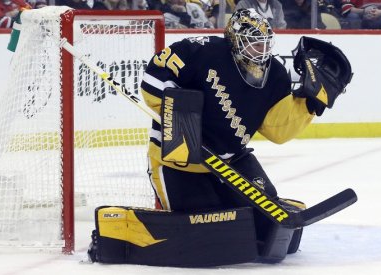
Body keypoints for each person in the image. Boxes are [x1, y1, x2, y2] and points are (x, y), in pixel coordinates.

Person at [138, 8, 350, 263]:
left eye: (264, 43)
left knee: (268, 223)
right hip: (180, 161)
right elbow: (153, 78)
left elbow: (276, 130)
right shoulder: (200, 51)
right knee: (206, 224)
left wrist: (310, 105)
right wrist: (181, 115)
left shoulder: (275, 74)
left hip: (231, 160)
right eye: (253, 42)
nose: (260, 49)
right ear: (235, 40)